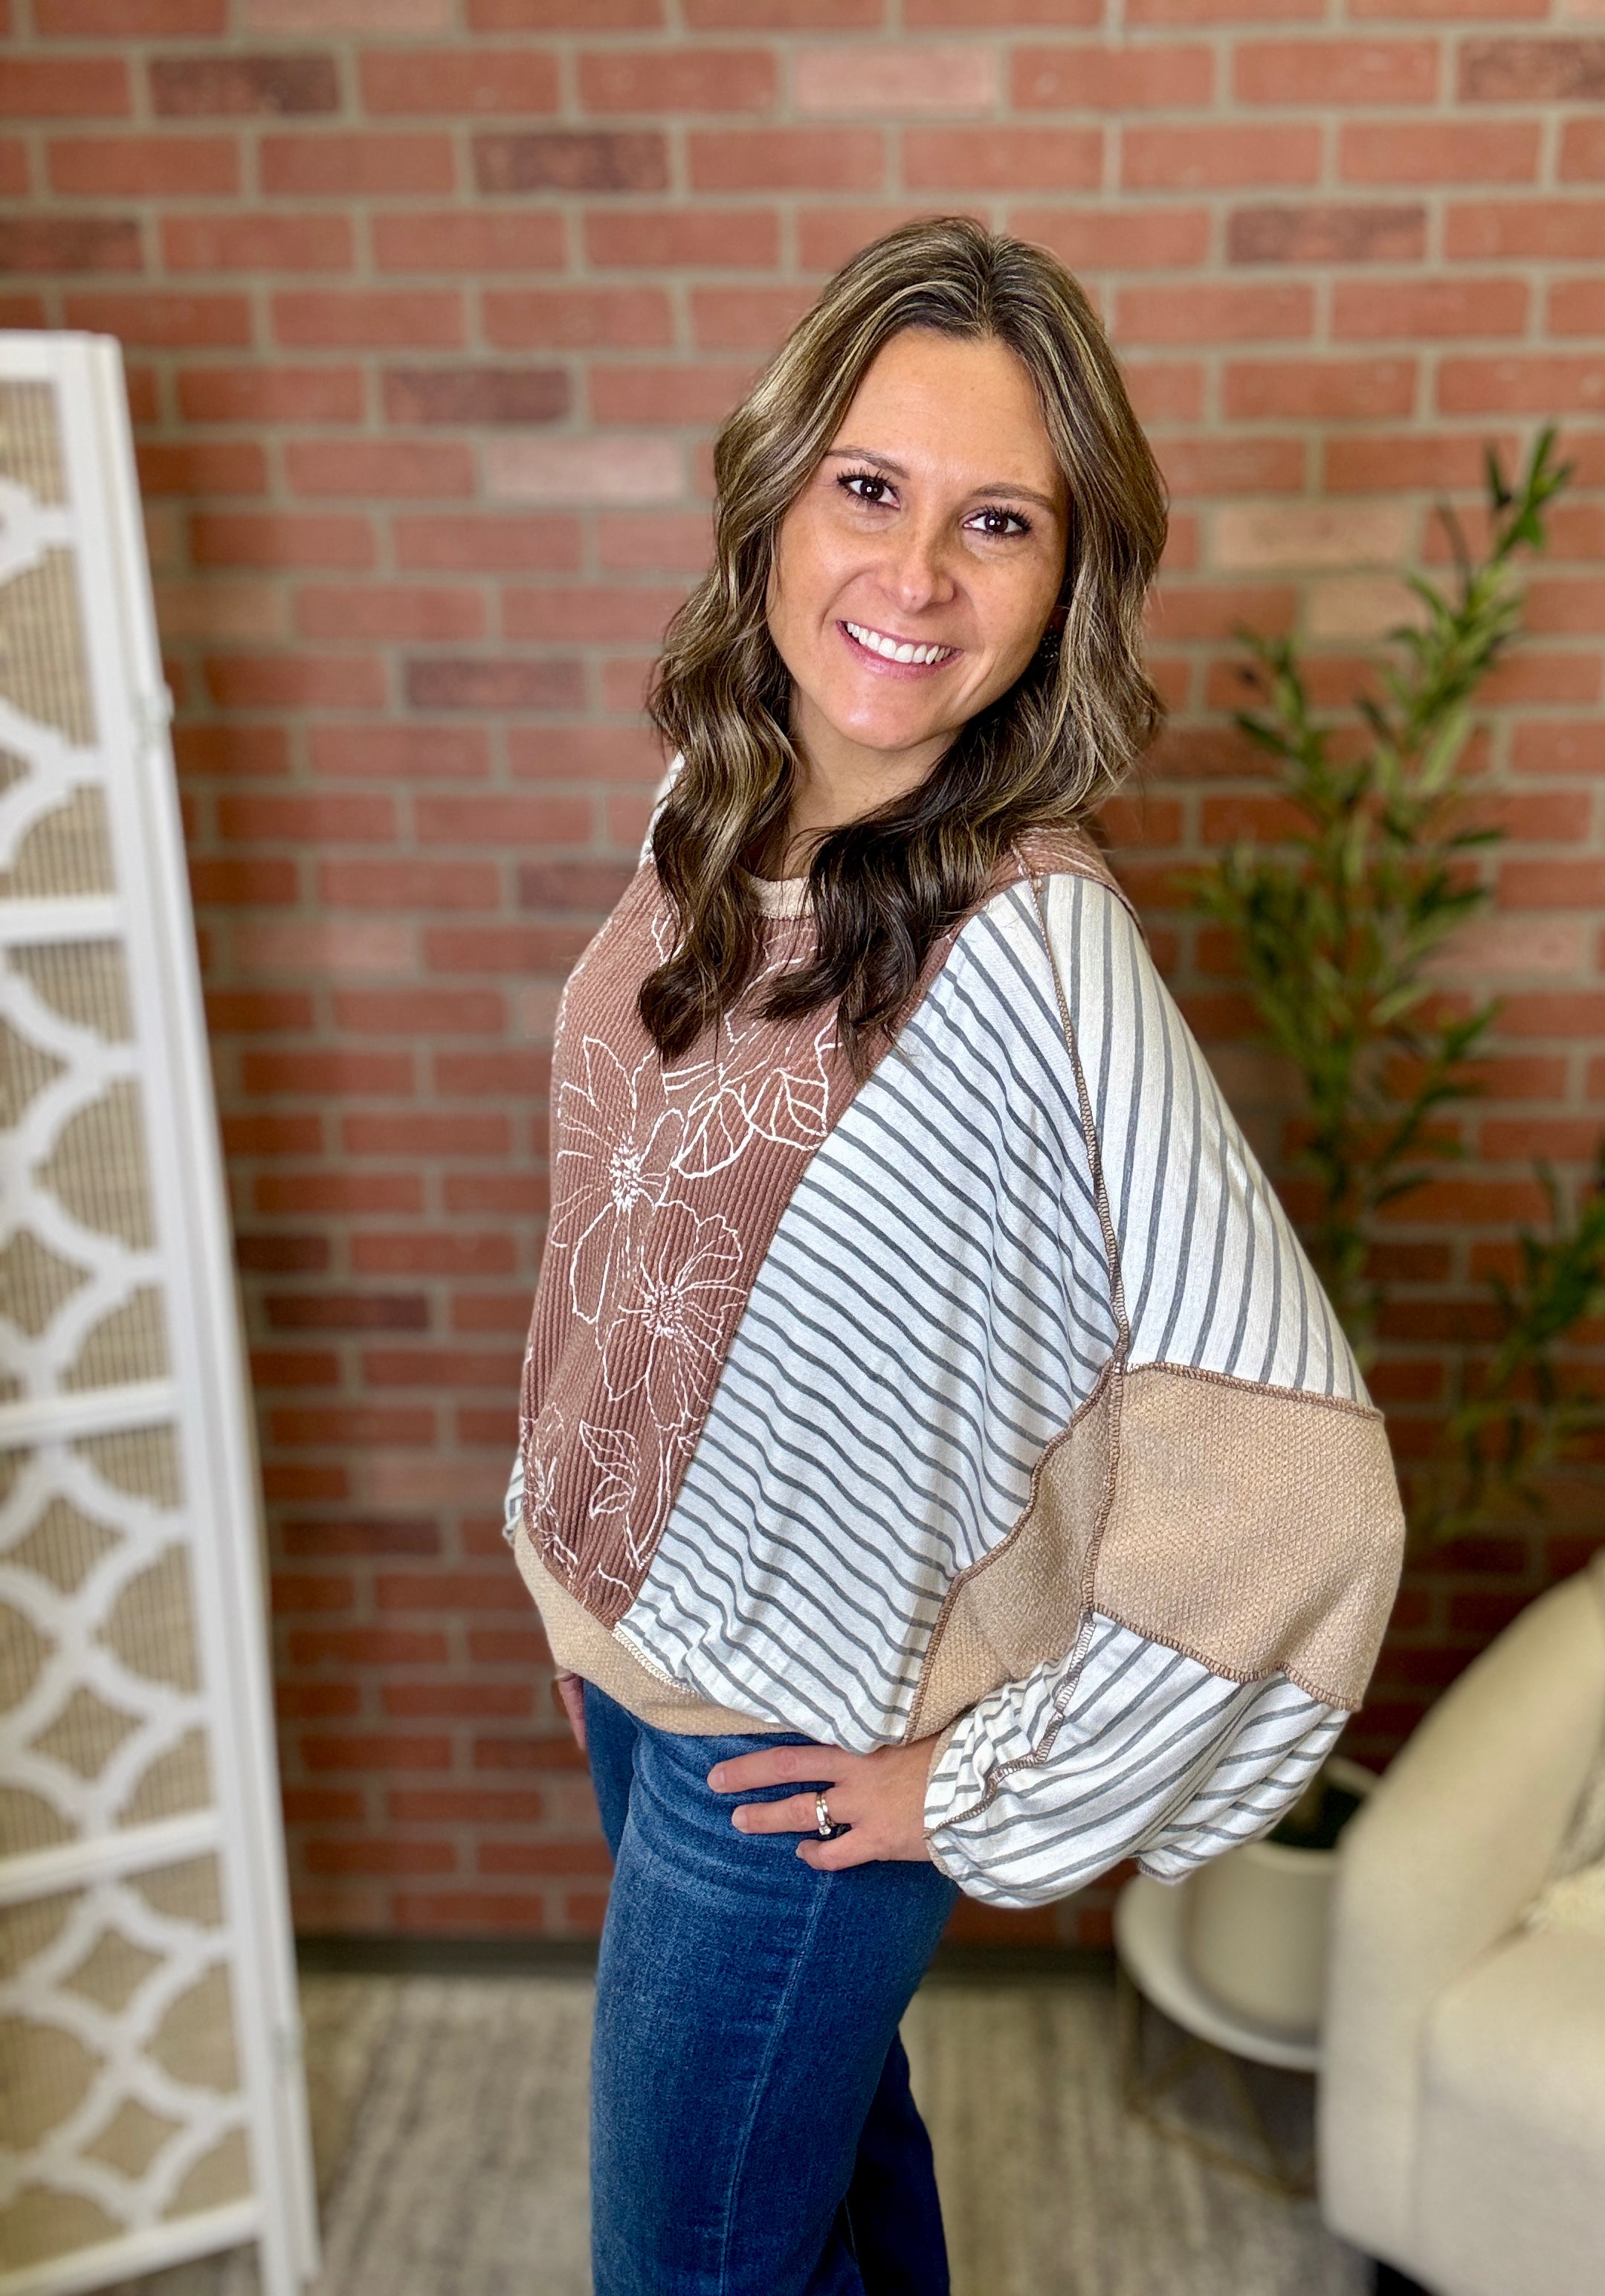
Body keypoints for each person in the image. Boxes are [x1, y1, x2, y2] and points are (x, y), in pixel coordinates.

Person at [502, 216, 1406, 2295]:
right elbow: (636, 1230)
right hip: (642, 1661)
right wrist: (580, 1550)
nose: (913, 577)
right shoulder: (715, 811)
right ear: (776, 496)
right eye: (869, 488)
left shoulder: (1034, 953)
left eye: (998, 521)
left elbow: (1299, 1491)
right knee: (824, 2197)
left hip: (786, 1764)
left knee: (691, 2271)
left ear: (1068, 584)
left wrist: (984, 1790)